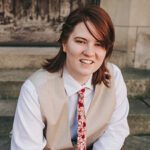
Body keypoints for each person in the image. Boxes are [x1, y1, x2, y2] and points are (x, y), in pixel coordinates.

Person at [11, 5, 129, 150]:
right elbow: (26, 147)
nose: (89, 52)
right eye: (80, 41)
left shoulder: (113, 77)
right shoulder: (34, 89)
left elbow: (115, 130)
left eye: (99, 44)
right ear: (64, 44)